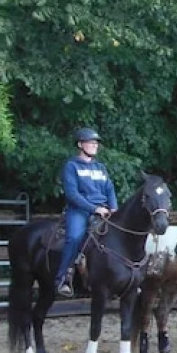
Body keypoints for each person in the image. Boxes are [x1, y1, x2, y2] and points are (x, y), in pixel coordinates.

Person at [54, 127, 118, 297]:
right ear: (80, 144)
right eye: (91, 142)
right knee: (74, 237)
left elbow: (109, 188)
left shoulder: (100, 167)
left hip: (103, 209)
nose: (95, 145)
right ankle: (63, 277)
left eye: (96, 143)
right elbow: (72, 194)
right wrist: (94, 208)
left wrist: (113, 206)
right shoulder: (71, 166)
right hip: (79, 210)